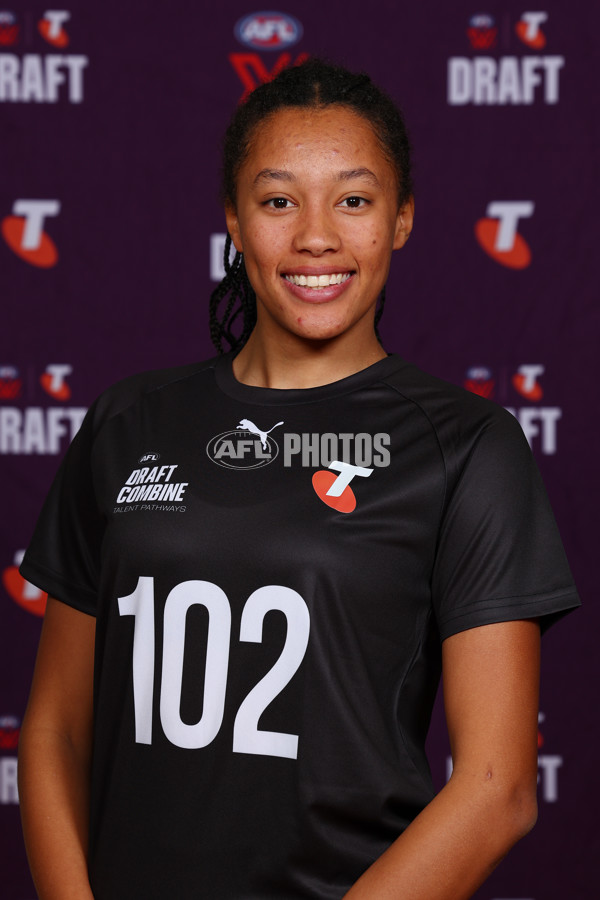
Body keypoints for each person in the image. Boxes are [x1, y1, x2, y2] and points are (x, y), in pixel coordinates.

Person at [18, 59, 579, 899]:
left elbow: (497, 790)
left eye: (353, 200)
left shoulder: (467, 447)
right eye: (279, 200)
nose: (316, 236)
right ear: (235, 224)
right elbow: (56, 729)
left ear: (401, 219)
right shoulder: (128, 422)